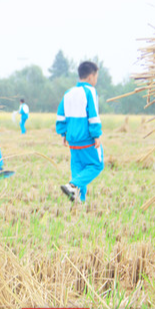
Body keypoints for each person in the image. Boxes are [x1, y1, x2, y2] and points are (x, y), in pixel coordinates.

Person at [56, 61, 104, 203]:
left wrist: (63, 133)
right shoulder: (90, 91)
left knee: (78, 169)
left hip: (72, 139)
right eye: (96, 76)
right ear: (91, 77)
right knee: (97, 165)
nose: (96, 80)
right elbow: (93, 114)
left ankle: (79, 200)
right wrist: (96, 135)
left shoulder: (68, 93)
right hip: (87, 138)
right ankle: (72, 185)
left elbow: (60, 114)